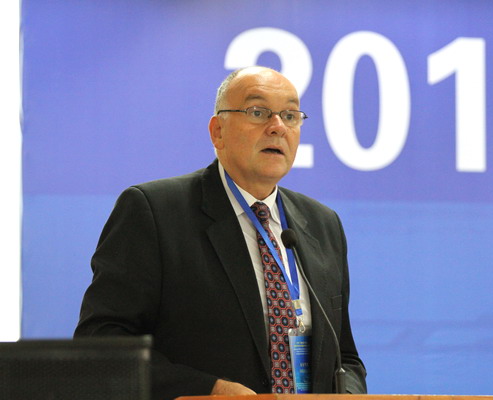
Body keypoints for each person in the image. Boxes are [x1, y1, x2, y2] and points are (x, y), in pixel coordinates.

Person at [75, 66, 367, 399]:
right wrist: (208, 390)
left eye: (290, 116)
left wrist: (349, 395)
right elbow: (102, 345)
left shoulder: (322, 224)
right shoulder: (154, 211)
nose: (277, 127)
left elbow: (345, 358)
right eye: (258, 112)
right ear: (218, 132)